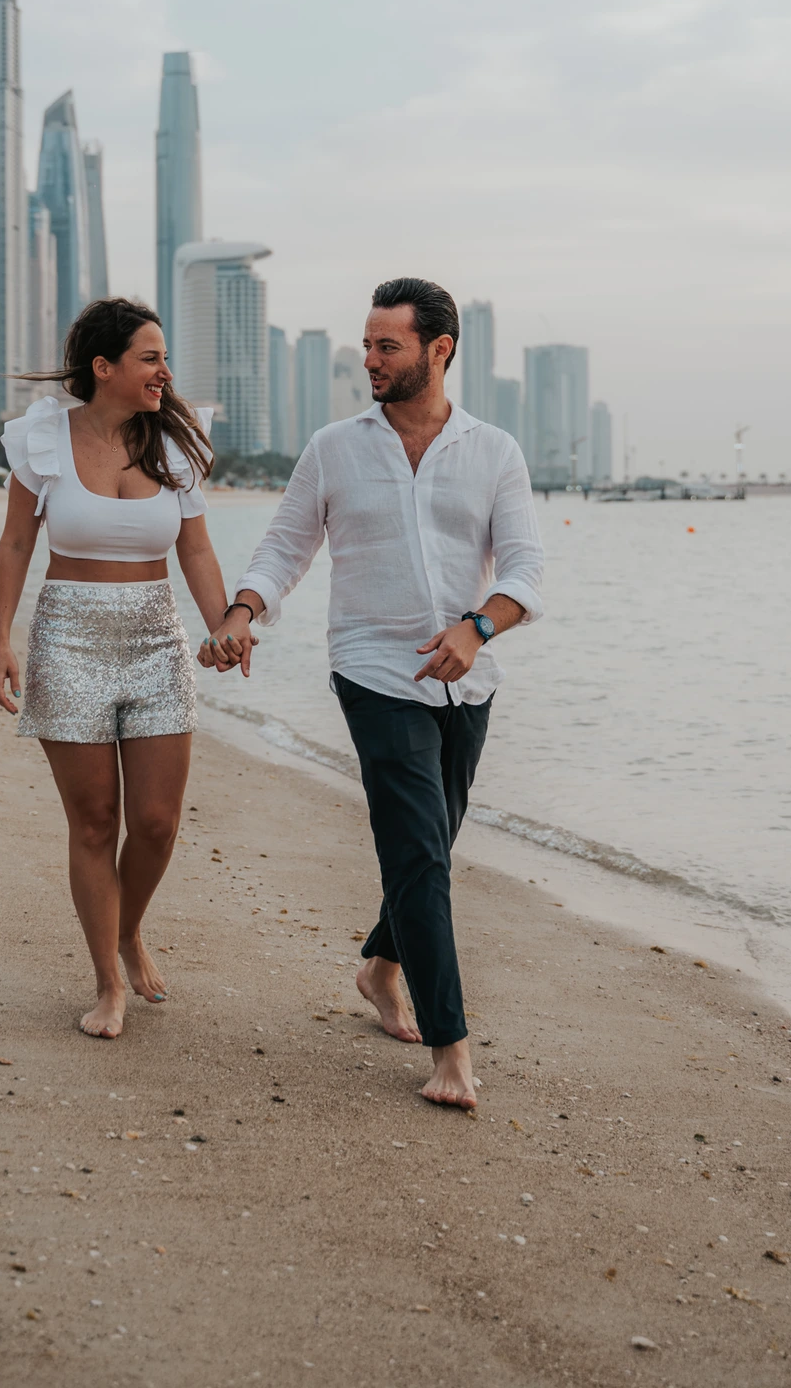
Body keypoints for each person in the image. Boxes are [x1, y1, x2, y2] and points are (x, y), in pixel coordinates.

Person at [199, 277, 543, 1110]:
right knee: (416, 852)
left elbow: (526, 573)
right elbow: (283, 547)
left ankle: (380, 967)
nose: (369, 360)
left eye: (386, 346)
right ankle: (450, 1049)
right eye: (366, 344)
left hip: (468, 678)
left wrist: (476, 627)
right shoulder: (333, 447)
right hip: (371, 671)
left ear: (439, 350)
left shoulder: (493, 451)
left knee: (432, 841)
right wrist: (242, 612)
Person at [0, 296, 247, 1040]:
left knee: (157, 824)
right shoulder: (43, 440)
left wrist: (224, 624)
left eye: (164, 356)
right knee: (95, 822)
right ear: (104, 369)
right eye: (150, 357)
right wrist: (1, 640)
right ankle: (108, 980)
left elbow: (193, 549)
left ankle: (130, 928)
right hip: (68, 638)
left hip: (157, 642)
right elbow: (14, 545)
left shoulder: (174, 451)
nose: (165, 370)